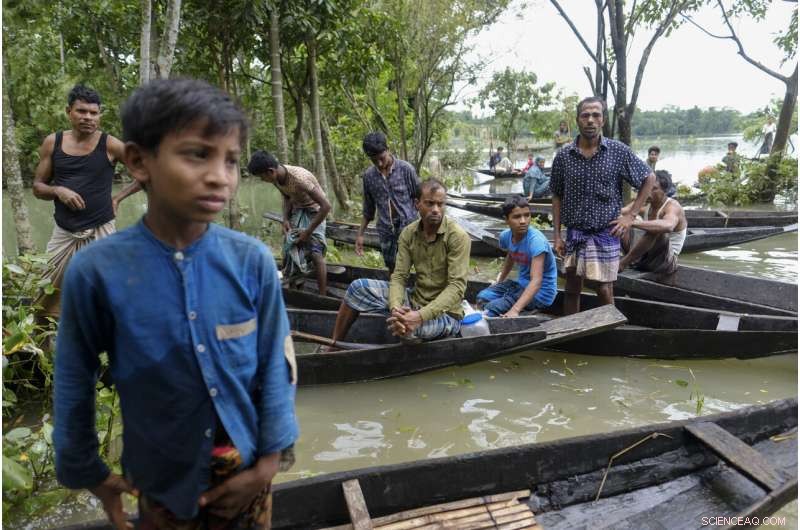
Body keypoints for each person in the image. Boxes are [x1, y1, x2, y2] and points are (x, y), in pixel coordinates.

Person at [53, 79, 298, 530]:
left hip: (246, 478)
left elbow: (276, 365)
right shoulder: (96, 272)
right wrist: (89, 472)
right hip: (161, 482)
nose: (219, 176)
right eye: (197, 154)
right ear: (139, 161)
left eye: (230, 160)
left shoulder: (252, 262)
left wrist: (268, 464)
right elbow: (73, 381)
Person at [32, 84, 141, 317]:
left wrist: (119, 198)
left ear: (100, 114)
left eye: (93, 113)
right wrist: (59, 190)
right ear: (68, 111)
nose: (88, 117)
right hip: (64, 231)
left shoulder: (110, 144)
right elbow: (38, 187)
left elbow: (146, 173)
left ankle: (114, 346)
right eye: (81, 111)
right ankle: (40, 350)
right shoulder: (54, 142)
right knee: (45, 296)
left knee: (112, 294)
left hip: (101, 228)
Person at [329, 179, 471, 344]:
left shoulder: (457, 237)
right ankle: (334, 343)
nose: (436, 210)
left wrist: (419, 316)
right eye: (430, 203)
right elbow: (399, 276)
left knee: (410, 327)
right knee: (357, 288)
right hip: (415, 299)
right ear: (417, 204)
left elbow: (457, 287)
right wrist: (396, 308)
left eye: (440, 204)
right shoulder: (408, 233)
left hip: (446, 314)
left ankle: (407, 332)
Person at [550, 96, 655, 314]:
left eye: (596, 115)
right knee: (572, 287)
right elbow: (557, 195)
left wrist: (631, 215)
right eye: (585, 115)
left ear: (603, 120)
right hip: (576, 232)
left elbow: (649, 178)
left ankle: (611, 328)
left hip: (606, 231)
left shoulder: (618, 151)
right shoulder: (563, 156)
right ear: (578, 120)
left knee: (604, 287)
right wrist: (558, 235)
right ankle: (572, 329)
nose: (590, 120)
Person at [247, 151, 331, 296]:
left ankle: (322, 295)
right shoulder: (276, 178)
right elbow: (287, 197)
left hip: (315, 211)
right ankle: (296, 289)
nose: (262, 180)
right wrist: (285, 219)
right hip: (298, 209)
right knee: (291, 247)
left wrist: (308, 232)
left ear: (270, 172)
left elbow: (326, 206)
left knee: (316, 253)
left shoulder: (300, 179)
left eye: (262, 177)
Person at [476, 196, 557, 317]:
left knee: (490, 309)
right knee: (482, 297)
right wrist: (500, 281)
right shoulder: (505, 236)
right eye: (517, 217)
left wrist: (515, 310)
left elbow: (536, 281)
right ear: (506, 219)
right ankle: (513, 307)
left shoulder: (536, 241)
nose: (523, 221)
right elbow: (511, 255)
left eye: (527, 215)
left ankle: (522, 310)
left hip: (541, 293)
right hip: (520, 285)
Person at [357, 131, 421, 273]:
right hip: (386, 232)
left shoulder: (406, 169)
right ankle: (396, 294)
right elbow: (368, 210)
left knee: (418, 267)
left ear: (388, 150)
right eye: (374, 161)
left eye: (382, 158)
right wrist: (360, 235)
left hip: (410, 229)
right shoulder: (369, 177)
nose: (379, 164)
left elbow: (420, 199)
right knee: (392, 269)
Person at [619, 170, 687, 275]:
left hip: (665, 262)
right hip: (645, 257)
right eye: (647, 188)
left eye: (654, 189)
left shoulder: (672, 206)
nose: (648, 192)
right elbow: (622, 212)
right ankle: (630, 260)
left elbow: (668, 226)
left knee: (656, 229)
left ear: (665, 190)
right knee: (622, 221)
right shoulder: (646, 202)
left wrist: (632, 222)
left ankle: (624, 262)